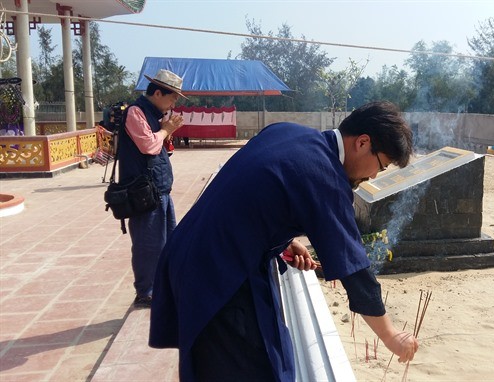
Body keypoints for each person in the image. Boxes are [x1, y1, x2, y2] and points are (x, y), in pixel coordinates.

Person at [149, 101, 419, 381]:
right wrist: (391, 335)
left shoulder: (289, 133)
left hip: (191, 250)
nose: (373, 176)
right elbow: (354, 268)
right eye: (381, 166)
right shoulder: (324, 174)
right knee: (254, 368)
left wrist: (281, 240)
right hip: (219, 274)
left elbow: (254, 193)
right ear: (363, 142)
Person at [117, 69, 185, 308]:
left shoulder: (155, 115)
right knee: (148, 245)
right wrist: (166, 130)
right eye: (172, 97)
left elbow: (158, 147)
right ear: (158, 92)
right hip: (143, 193)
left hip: (160, 190)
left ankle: (163, 286)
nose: (174, 102)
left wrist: (166, 132)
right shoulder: (136, 113)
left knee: (166, 241)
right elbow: (147, 146)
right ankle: (146, 291)